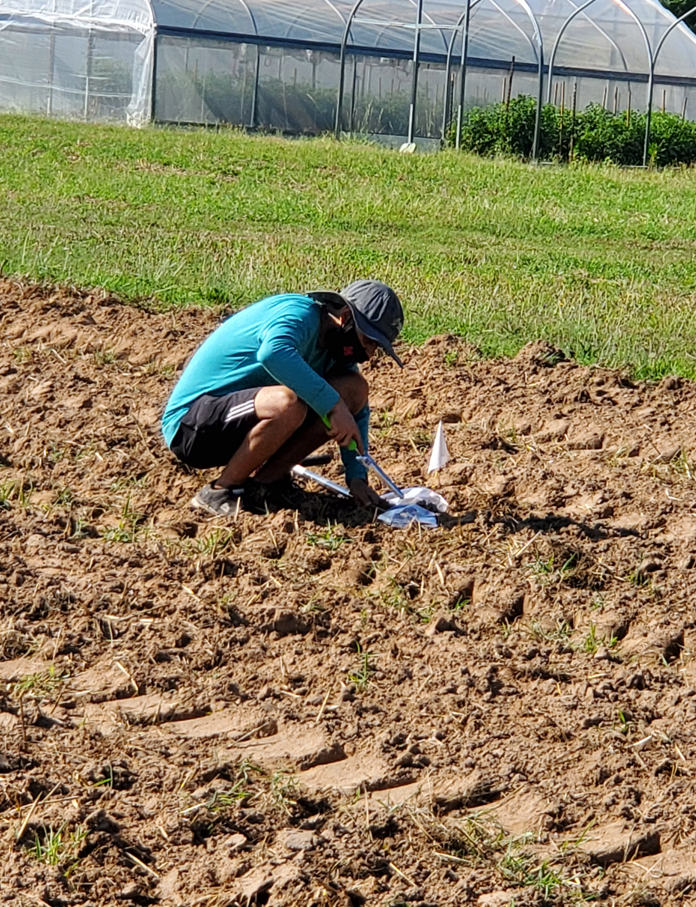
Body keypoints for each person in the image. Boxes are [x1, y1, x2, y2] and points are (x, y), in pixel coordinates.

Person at [161, 280, 404, 516]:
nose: (369, 354)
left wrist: (357, 477)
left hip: (235, 423)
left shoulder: (333, 350)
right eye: (368, 341)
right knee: (287, 404)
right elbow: (273, 353)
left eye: (377, 347)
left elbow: (355, 409)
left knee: (353, 388)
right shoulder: (300, 314)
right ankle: (220, 491)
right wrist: (332, 406)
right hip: (192, 427)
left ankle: (265, 485)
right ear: (346, 318)